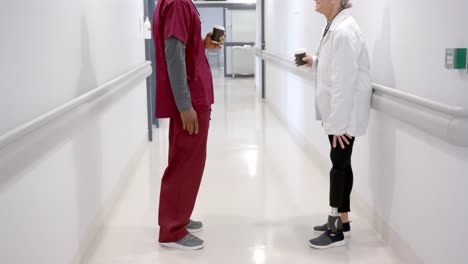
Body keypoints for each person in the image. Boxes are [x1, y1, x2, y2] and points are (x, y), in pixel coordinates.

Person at [296, 0, 372, 249]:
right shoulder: (335, 27)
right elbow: (334, 66)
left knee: (338, 167)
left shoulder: (343, 31)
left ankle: (335, 230)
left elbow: (343, 82)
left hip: (344, 115)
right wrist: (314, 61)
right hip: (340, 114)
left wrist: (339, 125)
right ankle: (344, 221)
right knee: (343, 164)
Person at [152, 0, 224, 250]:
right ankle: (172, 230)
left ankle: (178, 216)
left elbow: (183, 48)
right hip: (191, 99)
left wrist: (201, 43)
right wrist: (185, 106)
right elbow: (173, 54)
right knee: (186, 163)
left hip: (193, 95)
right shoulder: (179, 4)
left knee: (184, 160)